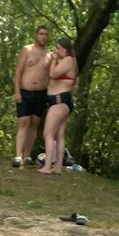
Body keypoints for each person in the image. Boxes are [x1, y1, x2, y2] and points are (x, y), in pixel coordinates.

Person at [12, 25, 51, 168]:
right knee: (23, 122)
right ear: (36, 35)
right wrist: (17, 91)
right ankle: (18, 155)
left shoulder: (50, 55)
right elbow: (18, 71)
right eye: (41, 34)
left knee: (34, 123)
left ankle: (27, 155)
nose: (43, 36)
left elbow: (52, 75)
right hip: (25, 90)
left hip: (41, 93)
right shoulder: (27, 50)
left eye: (46, 34)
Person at [39, 36, 77, 175]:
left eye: (59, 48)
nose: (56, 50)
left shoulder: (68, 60)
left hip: (59, 101)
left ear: (65, 49)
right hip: (61, 101)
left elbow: (53, 74)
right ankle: (58, 166)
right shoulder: (71, 61)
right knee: (59, 135)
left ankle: (48, 165)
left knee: (48, 133)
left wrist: (54, 59)